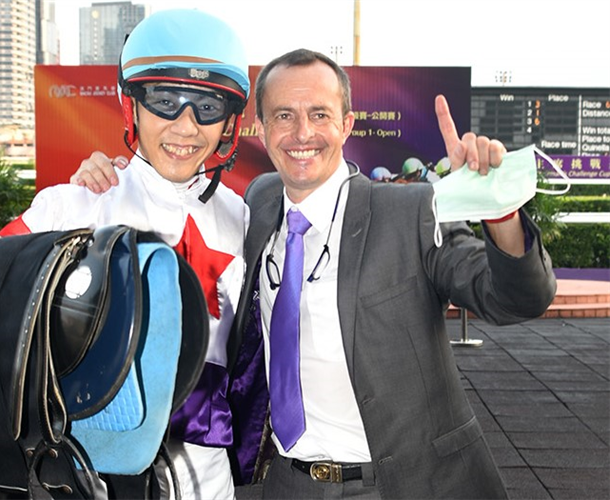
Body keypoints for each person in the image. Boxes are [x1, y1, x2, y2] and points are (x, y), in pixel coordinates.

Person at [71, 49, 556, 500]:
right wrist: (112, 177)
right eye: (284, 115)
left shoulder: (408, 212)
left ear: (346, 125)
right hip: (290, 482)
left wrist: (500, 212)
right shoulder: (257, 206)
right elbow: (169, 200)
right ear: (261, 129)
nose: (302, 133)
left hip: (408, 482)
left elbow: (515, 299)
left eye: (319, 114)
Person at [0, 9, 251, 500]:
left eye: (207, 105)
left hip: (208, 470)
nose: (185, 125)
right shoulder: (72, 203)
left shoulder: (243, 218)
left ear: (229, 122)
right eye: (163, 100)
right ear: (130, 106)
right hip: (95, 466)